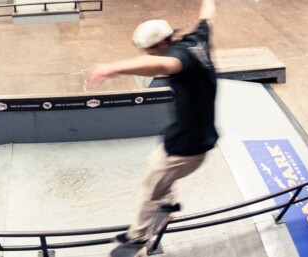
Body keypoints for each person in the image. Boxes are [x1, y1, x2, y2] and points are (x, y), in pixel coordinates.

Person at [86, 0, 218, 246]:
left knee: (148, 189)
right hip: (190, 136)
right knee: (155, 164)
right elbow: (208, 16)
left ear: (162, 43)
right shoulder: (197, 39)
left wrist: (111, 68)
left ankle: (137, 237)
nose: (146, 54)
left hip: (187, 147)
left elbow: (162, 65)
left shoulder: (177, 59)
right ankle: (169, 201)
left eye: (149, 50)